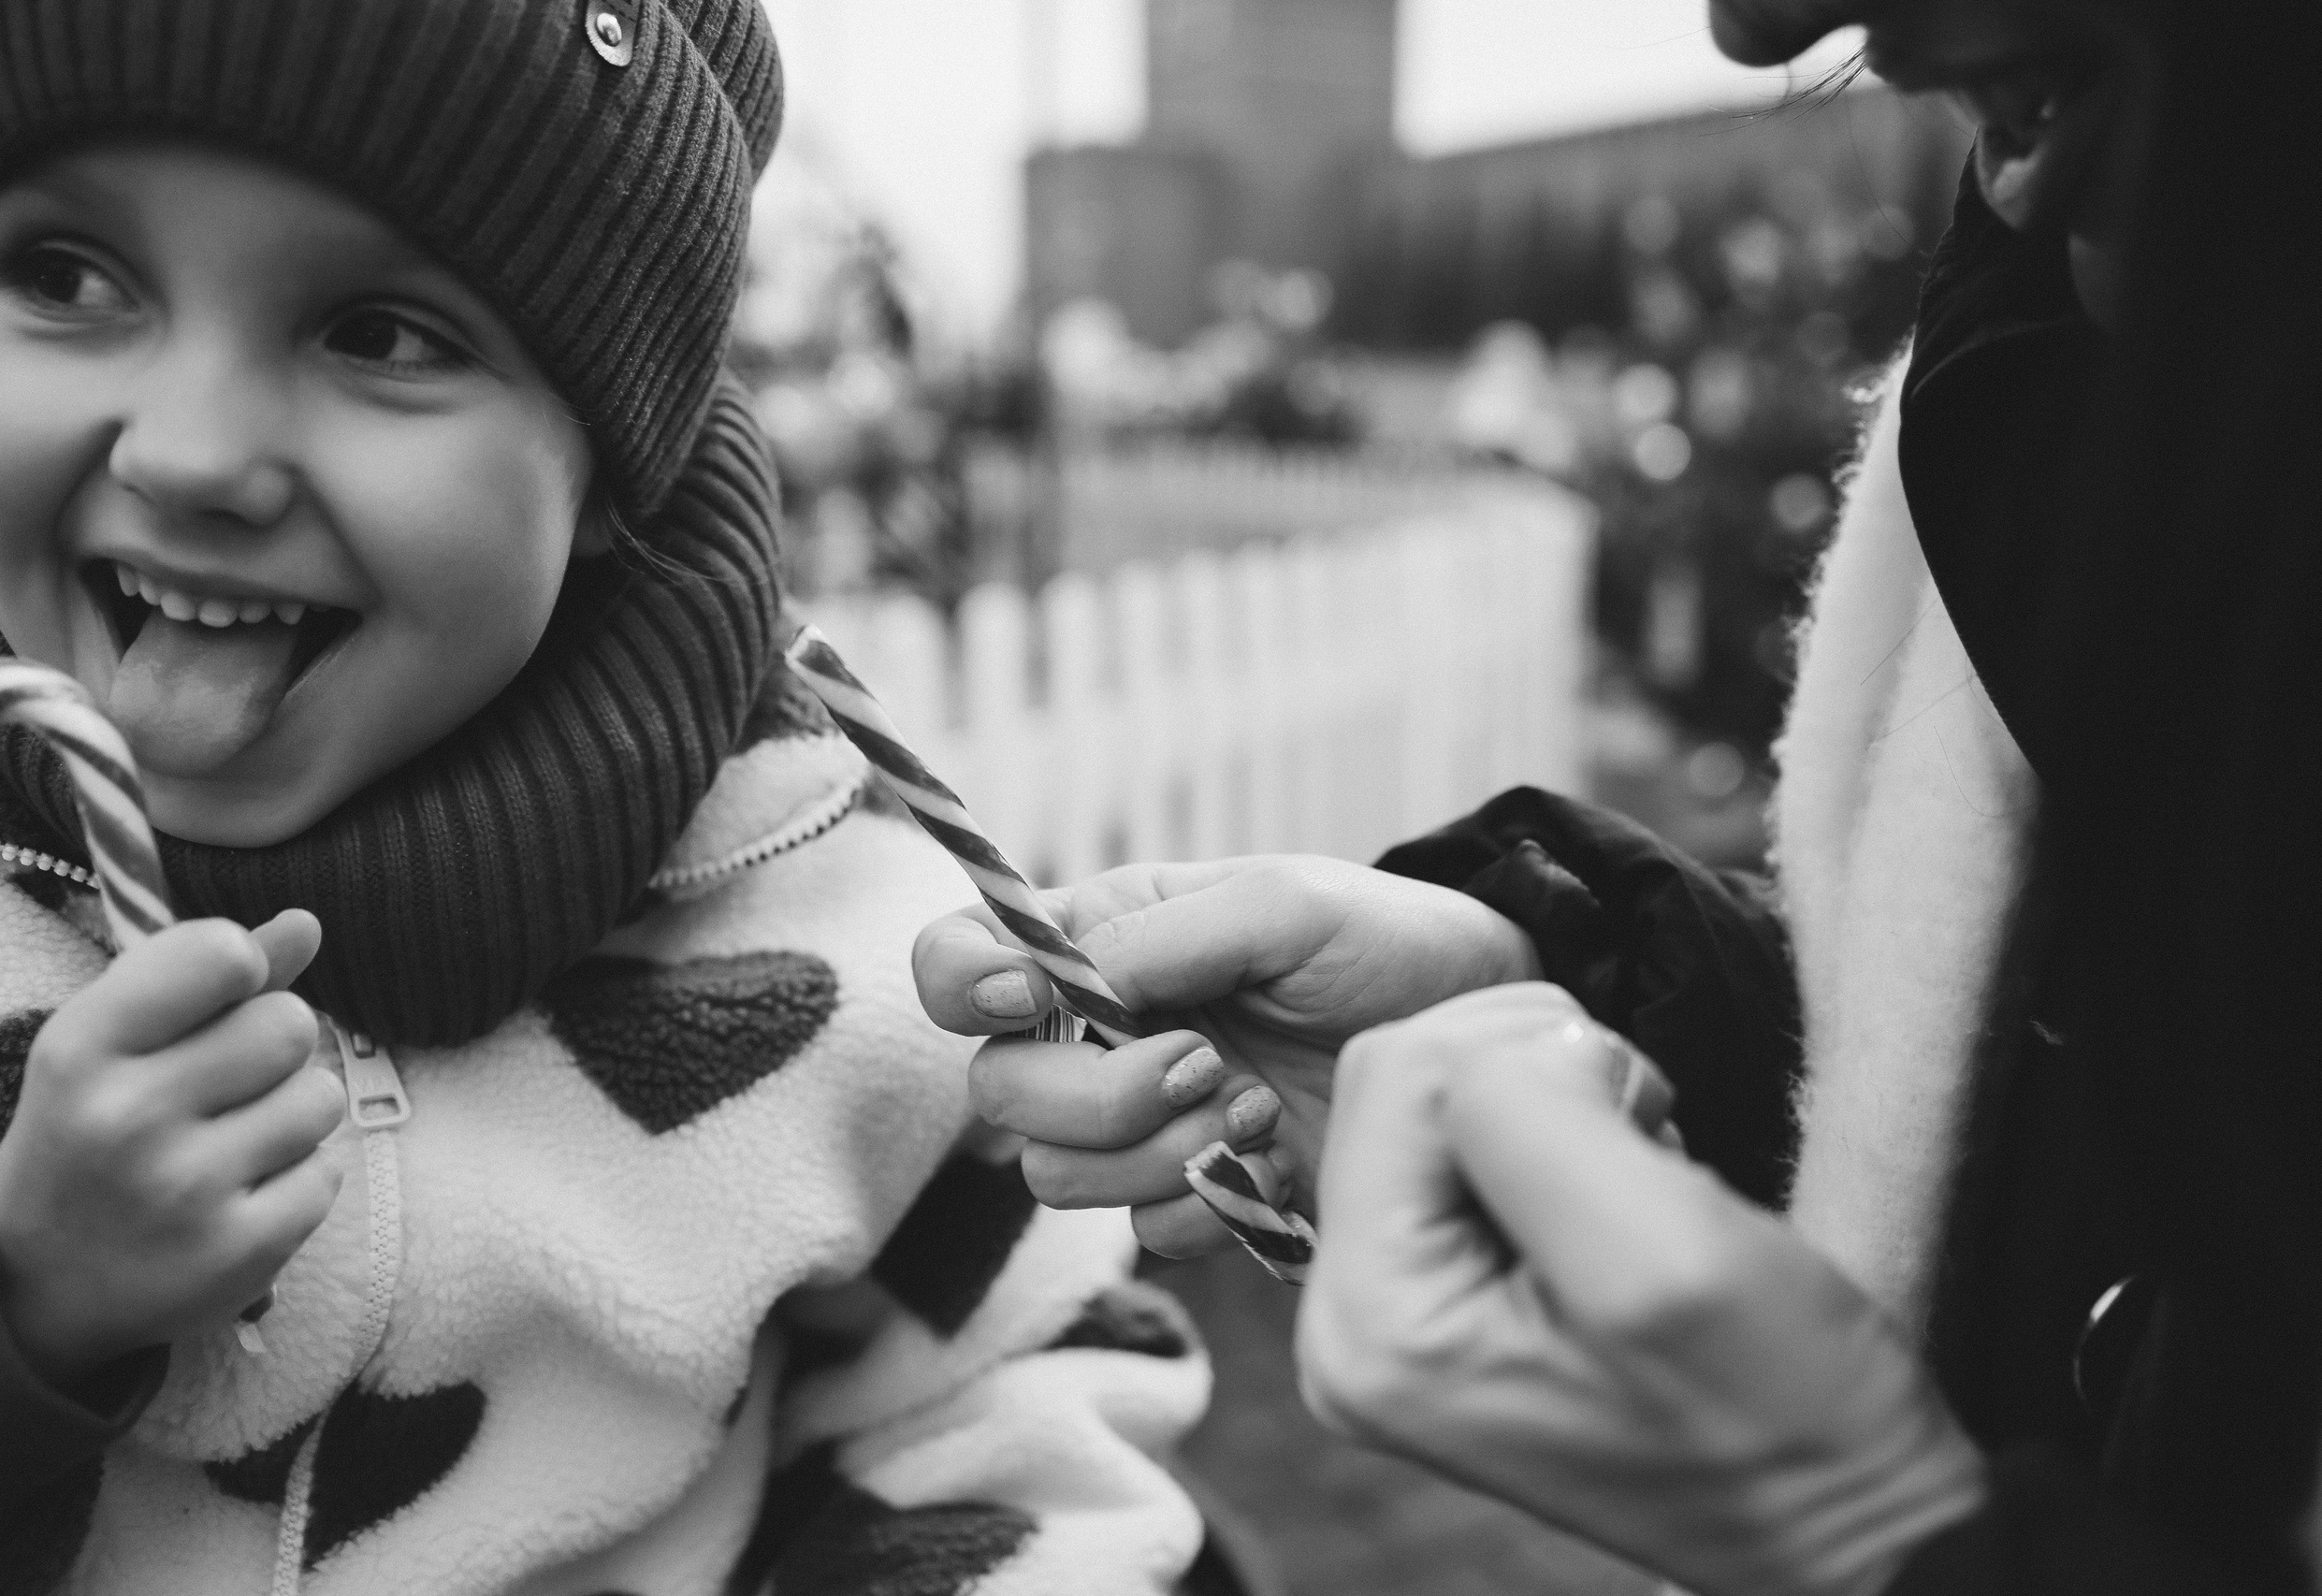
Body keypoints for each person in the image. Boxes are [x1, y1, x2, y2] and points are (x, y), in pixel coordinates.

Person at [915, 0, 2322, 1589]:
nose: (1756, 23)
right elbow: (2110, 1089)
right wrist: (1576, 994)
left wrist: (1901, 1549)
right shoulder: (2075, 351)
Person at [0, 6, 1210, 1591]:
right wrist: (10, 1297)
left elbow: (1021, 1415)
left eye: (383, 333)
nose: (189, 454)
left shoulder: (848, 938)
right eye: (66, 275)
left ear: (610, 476)